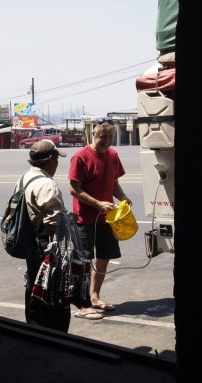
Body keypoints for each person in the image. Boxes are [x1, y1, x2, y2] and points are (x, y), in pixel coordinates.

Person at [68, 118, 132, 320]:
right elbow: (73, 189)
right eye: (103, 136)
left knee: (104, 257)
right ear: (93, 135)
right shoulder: (81, 157)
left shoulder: (113, 155)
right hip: (85, 218)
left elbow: (113, 183)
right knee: (84, 262)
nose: (107, 140)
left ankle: (95, 297)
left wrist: (123, 198)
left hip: (108, 218)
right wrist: (98, 203)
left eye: (110, 136)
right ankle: (82, 304)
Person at [15, 139, 70, 332]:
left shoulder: (24, 179)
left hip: (30, 242)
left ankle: (34, 328)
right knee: (51, 290)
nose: (57, 164)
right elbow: (56, 223)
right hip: (46, 245)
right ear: (50, 160)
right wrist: (70, 219)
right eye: (56, 159)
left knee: (33, 286)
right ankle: (53, 334)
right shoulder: (47, 184)